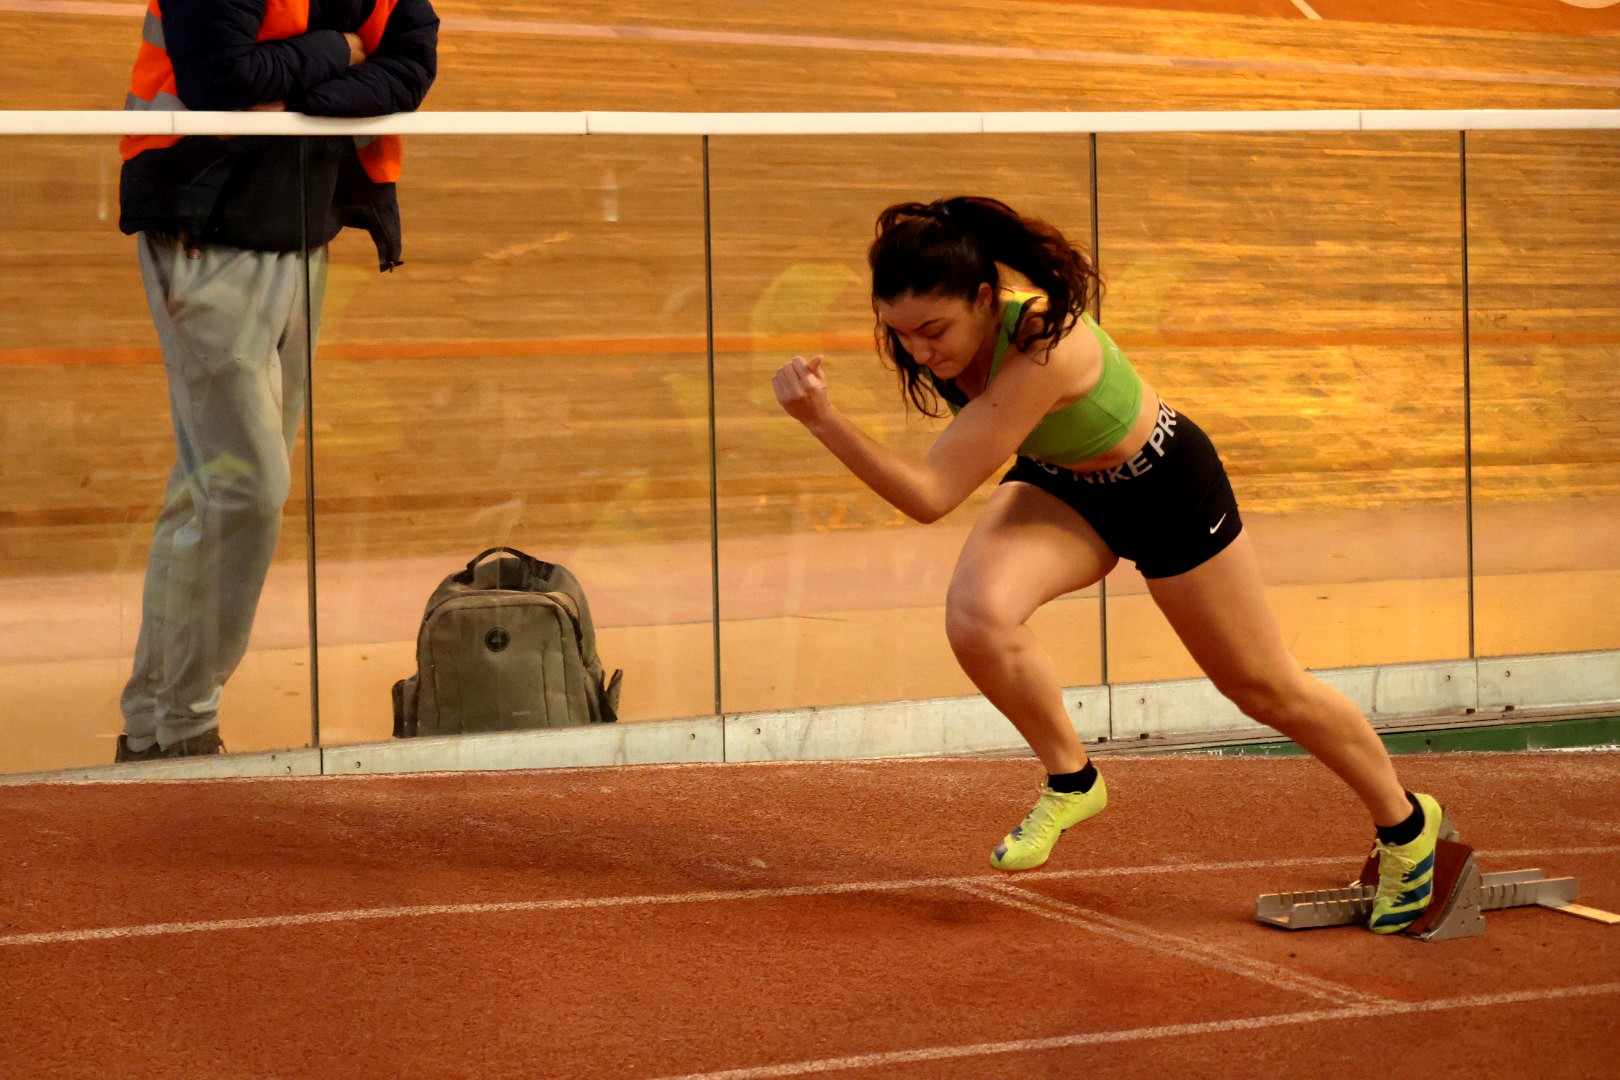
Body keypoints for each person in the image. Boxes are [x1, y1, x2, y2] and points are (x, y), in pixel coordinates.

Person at [771, 196, 1447, 934]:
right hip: (1065, 485)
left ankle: (1407, 825)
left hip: (1165, 488)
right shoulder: (940, 339)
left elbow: (932, 494)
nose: (921, 352)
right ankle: (1073, 778)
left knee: (1262, 685)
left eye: (934, 331)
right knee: (978, 616)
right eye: (900, 333)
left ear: (986, 299)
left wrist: (823, 421)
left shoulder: (1044, 346)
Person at [114, 0, 438, 761]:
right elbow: (222, 78)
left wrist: (297, 99)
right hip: (204, 234)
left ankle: (153, 729)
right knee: (247, 490)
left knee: (208, 492)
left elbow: (411, 68)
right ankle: (185, 726)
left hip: (303, 240)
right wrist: (343, 48)